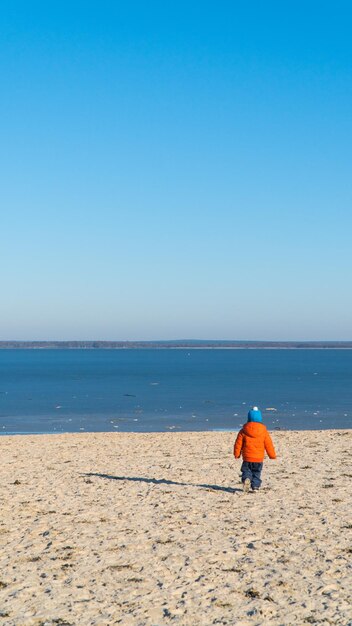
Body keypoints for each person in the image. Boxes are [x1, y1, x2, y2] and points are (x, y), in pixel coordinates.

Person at [234, 406, 276, 492]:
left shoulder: (243, 430)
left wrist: (237, 454)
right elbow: (268, 444)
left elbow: (238, 444)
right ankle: (255, 486)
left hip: (247, 457)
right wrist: (272, 455)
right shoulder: (263, 431)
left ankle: (246, 479)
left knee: (246, 470)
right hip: (258, 458)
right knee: (256, 473)